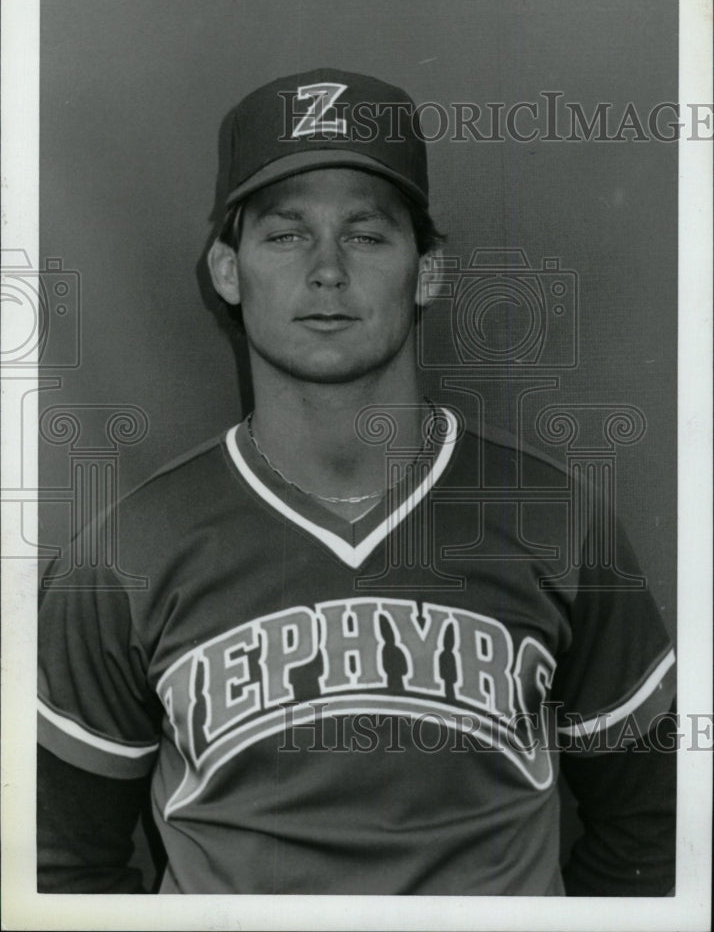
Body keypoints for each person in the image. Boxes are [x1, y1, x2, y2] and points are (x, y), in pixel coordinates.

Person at [37, 68, 676, 895]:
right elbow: (60, 870)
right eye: (286, 234)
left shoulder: (558, 520)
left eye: (368, 235)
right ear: (227, 271)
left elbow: (653, 835)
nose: (328, 270)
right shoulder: (123, 552)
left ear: (429, 271)